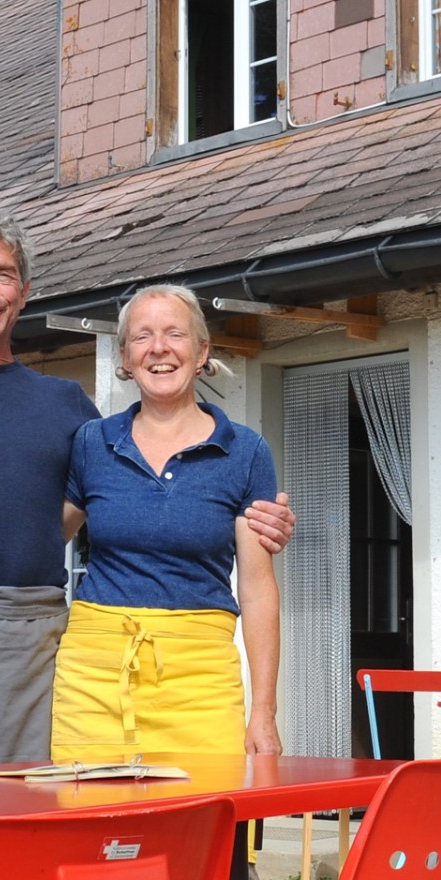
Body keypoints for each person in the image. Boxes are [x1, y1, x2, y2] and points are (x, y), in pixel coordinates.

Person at [0, 209, 293, 765]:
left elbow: (53, 522)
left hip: (43, 646)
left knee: (40, 816)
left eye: (3, 275)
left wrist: (262, 520)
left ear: (25, 292)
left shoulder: (70, 412)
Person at [51, 282, 282, 762]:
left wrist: (263, 710)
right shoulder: (91, 442)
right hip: (95, 675)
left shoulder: (246, 452)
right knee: (91, 827)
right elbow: (40, 540)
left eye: (175, 334)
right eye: (143, 337)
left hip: (202, 679)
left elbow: (258, 591)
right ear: (125, 356)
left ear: (202, 352)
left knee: (204, 825)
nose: (159, 348)